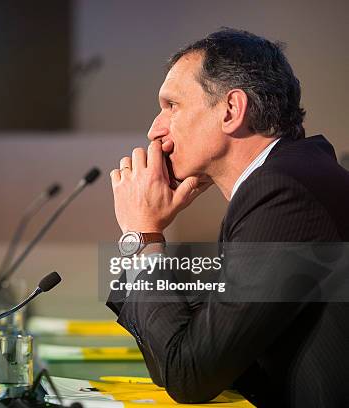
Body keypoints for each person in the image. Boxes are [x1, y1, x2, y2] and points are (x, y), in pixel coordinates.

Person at [108, 28, 349, 407]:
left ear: (231, 110)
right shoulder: (287, 177)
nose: (155, 130)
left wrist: (142, 234)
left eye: (171, 106)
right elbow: (189, 352)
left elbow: (189, 374)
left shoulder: (283, 192)